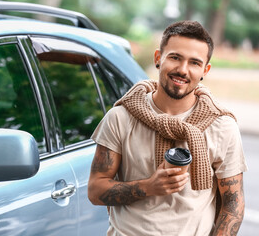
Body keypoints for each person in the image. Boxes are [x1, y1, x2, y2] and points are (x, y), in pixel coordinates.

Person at [88, 20, 247, 236]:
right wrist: (148, 186)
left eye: (194, 63)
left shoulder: (221, 125)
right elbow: (95, 190)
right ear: (158, 59)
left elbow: (232, 206)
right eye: (175, 57)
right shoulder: (121, 118)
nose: (182, 70)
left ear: (205, 70)